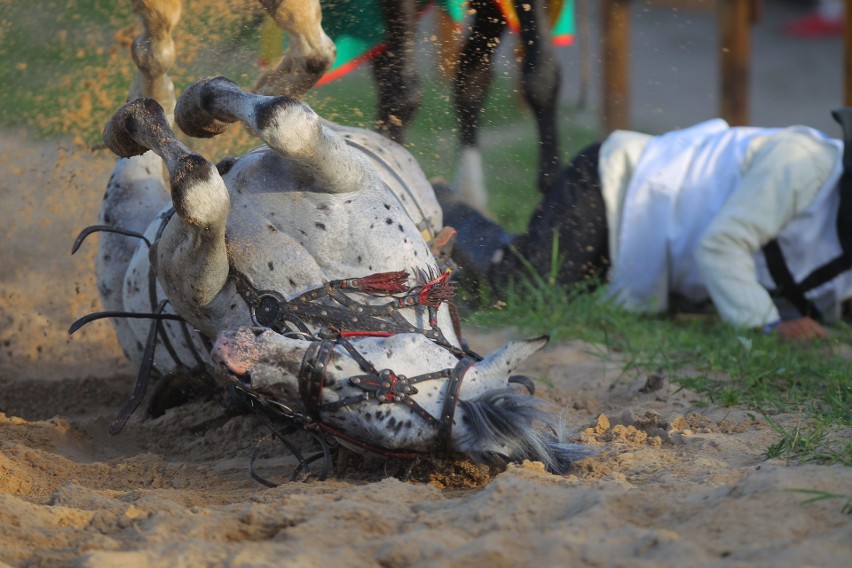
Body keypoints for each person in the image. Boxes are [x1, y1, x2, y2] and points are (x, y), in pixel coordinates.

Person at [437, 110, 852, 341]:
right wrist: (768, 326)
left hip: (643, 261)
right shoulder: (803, 162)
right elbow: (722, 246)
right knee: (518, 288)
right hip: (614, 188)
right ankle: (439, 204)